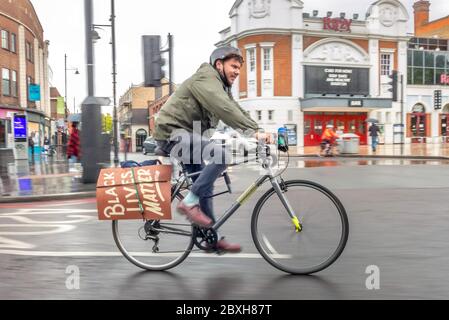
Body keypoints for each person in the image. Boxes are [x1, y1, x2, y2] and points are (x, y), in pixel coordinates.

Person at [154, 46, 270, 253]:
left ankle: (210, 238)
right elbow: (223, 108)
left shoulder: (222, 87)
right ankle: (189, 203)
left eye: (239, 68)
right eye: (233, 66)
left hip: (190, 135)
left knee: (204, 186)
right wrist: (252, 132)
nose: (236, 71)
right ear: (219, 64)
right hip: (172, 132)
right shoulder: (206, 79)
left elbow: (235, 108)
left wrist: (258, 130)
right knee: (221, 156)